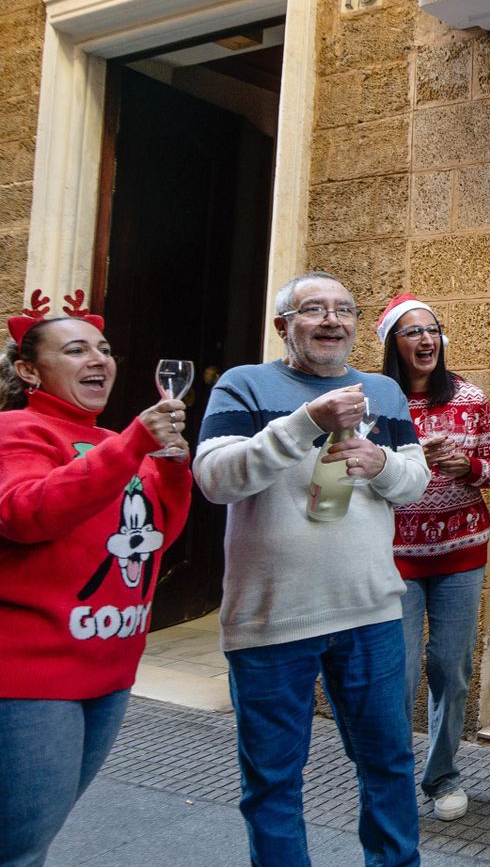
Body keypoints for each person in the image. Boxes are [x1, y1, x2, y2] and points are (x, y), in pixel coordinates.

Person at [193, 272, 431, 867]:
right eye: (313, 309)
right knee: (273, 782)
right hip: (271, 618)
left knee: (389, 763)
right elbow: (216, 480)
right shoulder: (243, 385)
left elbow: (414, 483)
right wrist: (306, 423)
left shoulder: (384, 391)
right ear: (283, 327)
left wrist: (378, 463)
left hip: (371, 611)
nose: (332, 319)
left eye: (344, 309)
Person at [0, 299, 191, 867]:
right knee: (20, 848)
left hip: (109, 668)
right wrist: (132, 443)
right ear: (30, 371)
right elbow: (25, 513)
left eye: (103, 349)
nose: (98, 360)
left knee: (34, 834)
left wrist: (173, 469)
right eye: (76, 349)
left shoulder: (114, 439)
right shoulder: (16, 429)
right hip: (33, 677)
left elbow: (156, 535)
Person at [376, 293, 490, 822]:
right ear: (393, 344)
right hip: (395, 558)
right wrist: (404, 466)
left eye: (432, 329)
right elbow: (351, 475)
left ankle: (443, 775)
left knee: (450, 668)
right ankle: (390, 776)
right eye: (412, 332)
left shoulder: (470, 396)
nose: (426, 339)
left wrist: (467, 467)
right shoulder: (377, 402)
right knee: (400, 672)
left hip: (460, 554)